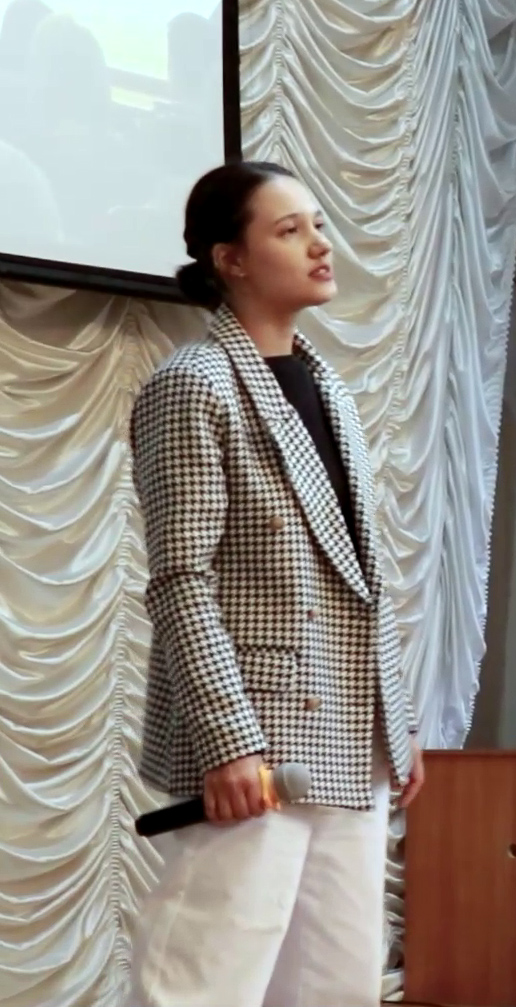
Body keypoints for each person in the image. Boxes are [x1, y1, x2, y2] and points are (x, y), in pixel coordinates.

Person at [127, 160, 424, 1006]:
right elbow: (181, 578)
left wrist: (393, 721)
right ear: (231, 259)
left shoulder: (331, 388)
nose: (321, 244)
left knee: (339, 984)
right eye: (289, 231)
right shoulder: (191, 384)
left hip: (352, 736)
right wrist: (229, 741)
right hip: (256, 738)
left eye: (319, 225)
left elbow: (358, 576)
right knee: (203, 979)